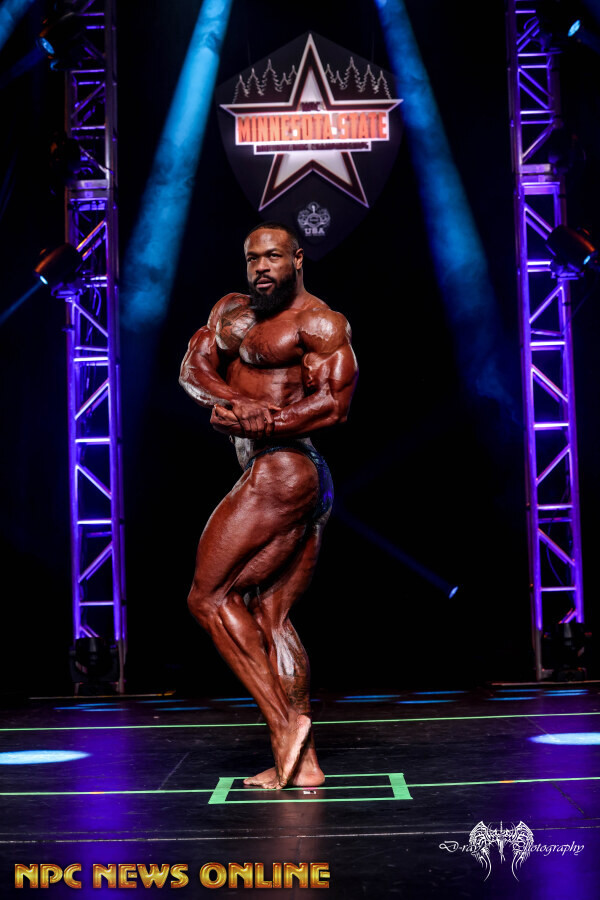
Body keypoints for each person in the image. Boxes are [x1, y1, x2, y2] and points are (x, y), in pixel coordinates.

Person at [179, 222, 358, 790]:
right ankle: (304, 764)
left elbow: (334, 406)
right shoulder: (231, 312)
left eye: (274, 256)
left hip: (286, 468)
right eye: (253, 257)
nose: (261, 267)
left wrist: (266, 422)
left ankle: (285, 724)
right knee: (271, 615)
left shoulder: (319, 322)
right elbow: (193, 370)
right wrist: (237, 402)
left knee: (208, 597)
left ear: (297, 259)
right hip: (294, 475)